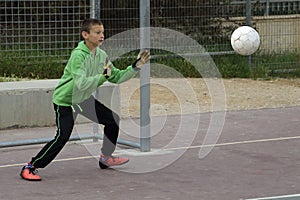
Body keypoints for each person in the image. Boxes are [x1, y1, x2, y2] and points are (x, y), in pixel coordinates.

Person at [20, 18, 150, 181]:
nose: (102, 35)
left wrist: (135, 67)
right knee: (62, 136)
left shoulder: (102, 55)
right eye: (97, 32)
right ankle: (30, 166)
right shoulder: (78, 56)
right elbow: (80, 84)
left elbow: (116, 77)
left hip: (82, 100)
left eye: (103, 32)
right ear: (85, 35)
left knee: (112, 120)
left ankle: (106, 158)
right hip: (65, 101)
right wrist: (103, 77)